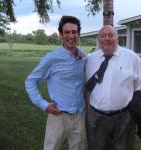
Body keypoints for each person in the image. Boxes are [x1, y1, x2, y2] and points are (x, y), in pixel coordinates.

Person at [25, 16, 86, 150]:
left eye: (74, 32)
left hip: (79, 116)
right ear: (60, 35)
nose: (71, 36)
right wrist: (44, 105)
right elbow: (30, 81)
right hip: (58, 115)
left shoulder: (83, 57)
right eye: (67, 32)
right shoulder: (51, 58)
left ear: (79, 34)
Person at [85, 25, 141, 150]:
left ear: (117, 38)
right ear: (98, 39)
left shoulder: (132, 58)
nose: (107, 39)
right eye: (103, 36)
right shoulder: (90, 60)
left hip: (124, 117)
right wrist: (90, 111)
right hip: (96, 116)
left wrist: (135, 112)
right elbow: (87, 87)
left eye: (111, 35)